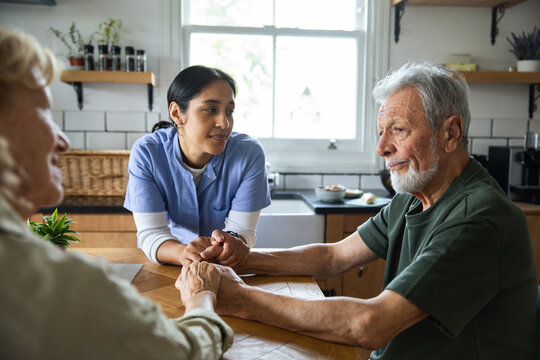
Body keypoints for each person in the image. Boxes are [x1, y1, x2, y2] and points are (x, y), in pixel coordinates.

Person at [212, 62, 538, 359]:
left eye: (399, 130)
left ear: (450, 133)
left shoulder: (478, 219)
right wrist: (241, 258)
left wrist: (240, 298)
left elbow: (370, 325)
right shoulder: (415, 193)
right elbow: (334, 257)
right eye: (382, 131)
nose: (382, 147)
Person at [0, 26, 233, 359]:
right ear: (176, 113)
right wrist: (200, 300)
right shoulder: (57, 283)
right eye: (43, 112)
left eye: (229, 111)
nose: (63, 141)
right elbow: (179, 352)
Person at [124, 65, 271, 267]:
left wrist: (231, 244)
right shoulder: (147, 154)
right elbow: (152, 233)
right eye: (211, 109)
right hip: (168, 261)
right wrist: (182, 252)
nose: (224, 123)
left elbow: (242, 231)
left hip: (225, 266)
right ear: (177, 113)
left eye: (229, 111)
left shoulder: (249, 154)